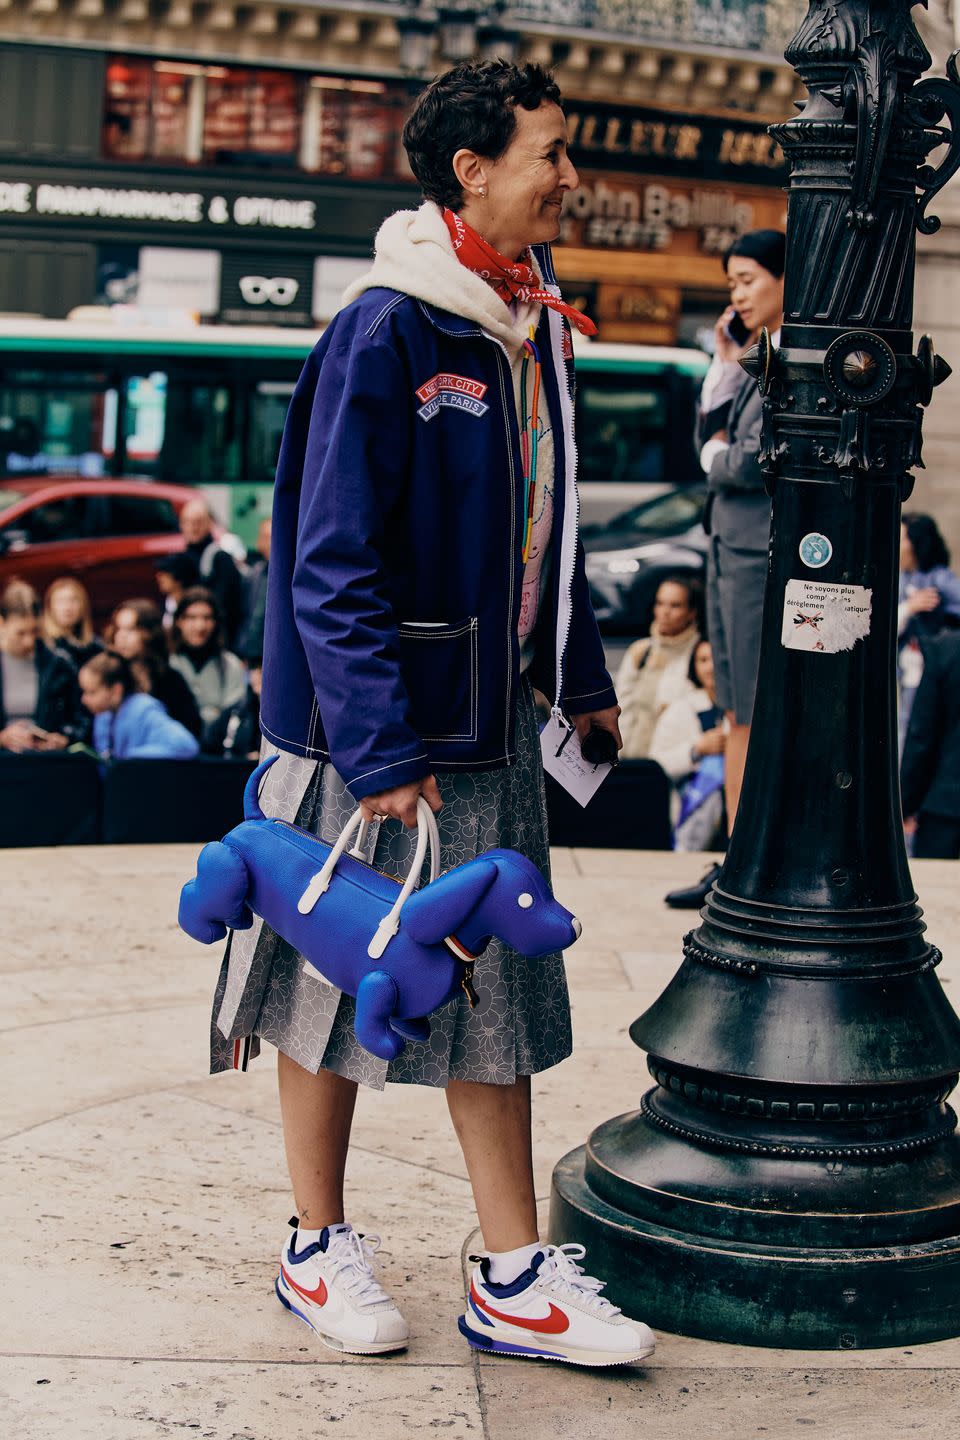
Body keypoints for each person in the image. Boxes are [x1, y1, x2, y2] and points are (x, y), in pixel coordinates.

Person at [209, 59, 654, 1368]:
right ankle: (315, 1243)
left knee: (492, 992)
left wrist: (574, 681)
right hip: (378, 730)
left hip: (489, 722)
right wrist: (378, 744)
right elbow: (328, 555)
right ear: (473, 169)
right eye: (550, 152)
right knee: (320, 986)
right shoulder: (393, 327)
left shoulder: (525, 324)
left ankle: (511, 1274)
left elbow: (543, 529)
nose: (569, 175)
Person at [665, 228, 785, 911]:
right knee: (736, 705)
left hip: (752, 550)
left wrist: (716, 459)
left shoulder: (792, 355)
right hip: (729, 548)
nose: (737, 293)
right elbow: (709, 433)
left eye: (748, 279)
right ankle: (736, 855)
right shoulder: (754, 356)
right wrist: (723, 361)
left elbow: (750, 457)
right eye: (733, 282)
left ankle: (744, 858)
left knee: (746, 709)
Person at [650, 639, 726, 852]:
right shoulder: (679, 710)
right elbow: (657, 763)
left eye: (715, 660)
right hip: (690, 806)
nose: (710, 667)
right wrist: (696, 750)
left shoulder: (744, 712)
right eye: (703, 660)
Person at [614, 576, 702, 759]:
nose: (665, 612)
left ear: (692, 612)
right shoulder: (641, 651)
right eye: (660, 603)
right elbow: (620, 710)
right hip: (629, 762)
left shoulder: (700, 656)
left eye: (675, 605)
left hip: (673, 766)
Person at [0, 579, 84, 752]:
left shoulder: (57, 662)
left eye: (34, 631)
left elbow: (79, 720)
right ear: (2, 623)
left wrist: (63, 738)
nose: (29, 641)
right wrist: (2, 738)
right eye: (20, 633)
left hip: (43, 760)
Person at [897, 513, 960, 746]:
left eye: (903, 539)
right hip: (907, 670)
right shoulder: (902, 578)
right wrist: (909, 608)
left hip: (927, 668)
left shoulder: (940, 580)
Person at [900, 630, 960, 859]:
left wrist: (906, 802)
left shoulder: (946, 649)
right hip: (944, 803)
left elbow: (921, 735)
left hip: (945, 803)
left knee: (935, 888)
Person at [107, 598, 202, 739]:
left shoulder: (170, 680)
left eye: (131, 629)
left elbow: (189, 731)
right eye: (118, 628)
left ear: (150, 633)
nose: (121, 636)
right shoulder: (108, 674)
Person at [79, 650, 199, 759]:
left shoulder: (143, 710)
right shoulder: (103, 715)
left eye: (92, 692)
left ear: (116, 690)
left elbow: (186, 746)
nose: (84, 699)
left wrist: (131, 759)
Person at [168, 587, 246, 739]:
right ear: (179, 621)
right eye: (191, 618)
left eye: (207, 618)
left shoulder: (230, 665)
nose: (200, 626)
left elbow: (233, 711)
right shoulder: (168, 663)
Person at [178, 498, 247, 648]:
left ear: (209, 523)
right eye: (187, 522)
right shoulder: (180, 558)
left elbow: (226, 608)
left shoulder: (220, 559)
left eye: (197, 522)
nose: (192, 527)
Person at [203, 656, 262, 758]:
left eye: (261, 670)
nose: (258, 675)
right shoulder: (239, 709)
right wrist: (243, 757)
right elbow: (210, 740)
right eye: (254, 669)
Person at [41, 577, 102, 671]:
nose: (67, 607)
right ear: (50, 607)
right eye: (60, 601)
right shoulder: (43, 645)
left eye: (73, 600)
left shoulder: (96, 647)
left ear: (83, 606)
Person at [237, 516, 271, 661]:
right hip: (248, 654)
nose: (270, 542)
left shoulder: (290, 575)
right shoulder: (254, 574)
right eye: (266, 537)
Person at [155, 552, 200, 629]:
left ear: (179, 577)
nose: (159, 577)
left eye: (165, 572)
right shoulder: (161, 609)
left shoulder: (198, 608)